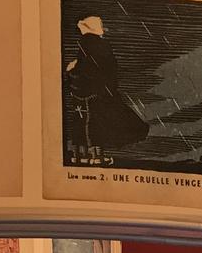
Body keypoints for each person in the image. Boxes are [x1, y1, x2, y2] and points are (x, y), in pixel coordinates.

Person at [63, 15, 148, 164]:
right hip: (99, 93)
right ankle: (96, 157)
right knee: (98, 123)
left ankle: (80, 155)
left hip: (84, 92)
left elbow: (85, 69)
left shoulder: (85, 43)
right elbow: (106, 69)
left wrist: (71, 71)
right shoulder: (101, 45)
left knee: (82, 122)